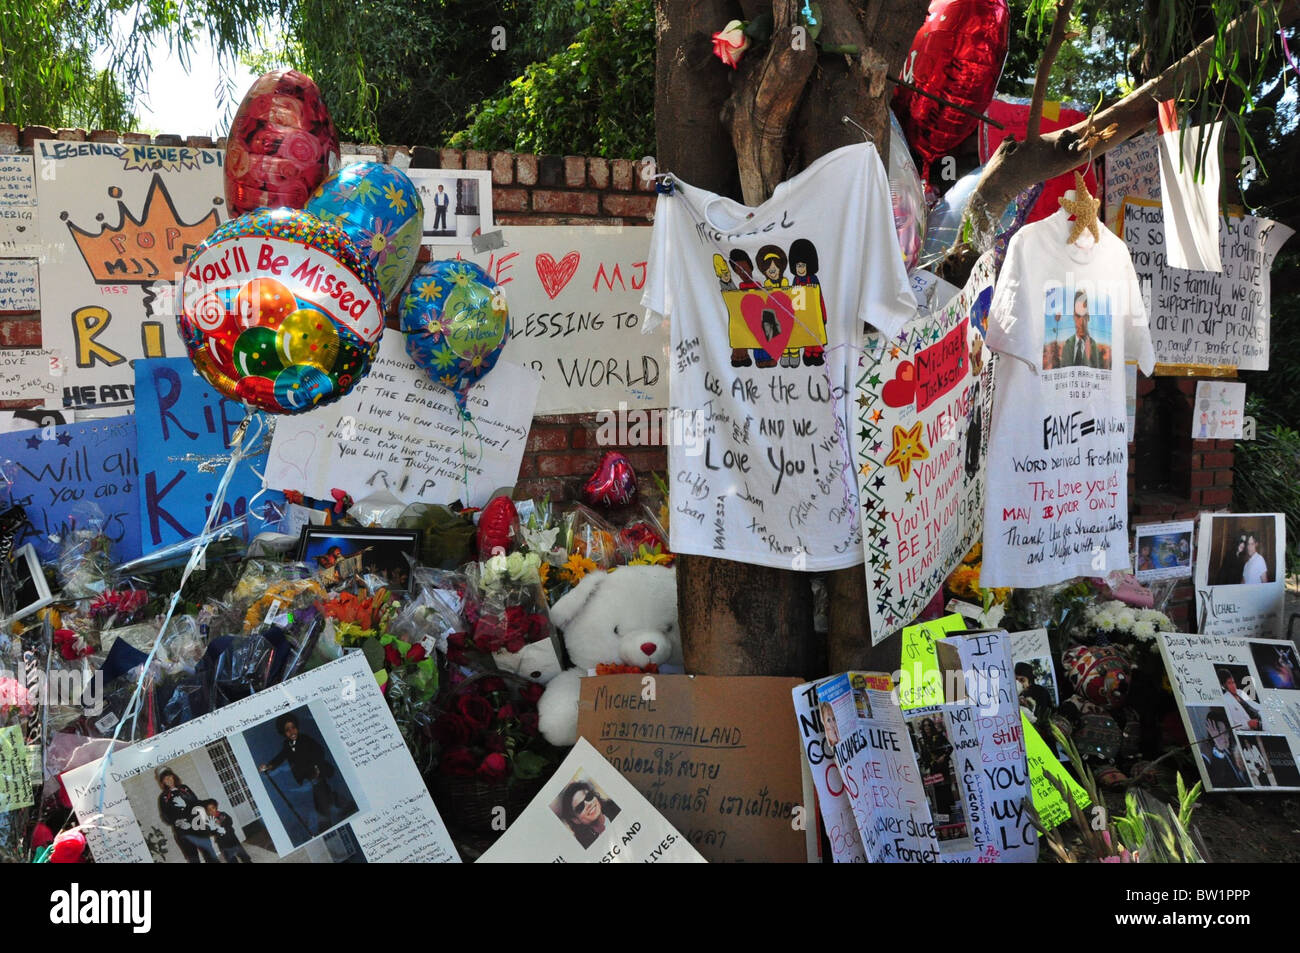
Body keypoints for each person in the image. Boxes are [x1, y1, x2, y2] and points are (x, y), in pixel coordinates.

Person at [259, 714, 343, 836]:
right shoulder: (287, 745)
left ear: (297, 727)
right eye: (287, 730)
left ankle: (326, 827)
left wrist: (316, 767)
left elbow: (319, 751)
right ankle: (333, 799)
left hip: (318, 772)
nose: (291, 731)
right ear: (283, 732)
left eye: (293, 727)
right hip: (308, 777)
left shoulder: (305, 739)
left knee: (320, 799)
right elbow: (280, 757)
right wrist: (268, 766)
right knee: (320, 797)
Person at [156, 767, 217, 863]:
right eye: (166, 779)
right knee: (193, 858)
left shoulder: (184, 788)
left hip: (197, 825)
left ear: (173, 777)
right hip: (183, 830)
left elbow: (196, 803)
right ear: (163, 782)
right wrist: (176, 822)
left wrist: (186, 805)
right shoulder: (163, 797)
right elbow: (165, 816)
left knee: (209, 852)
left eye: (170, 777)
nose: (169, 780)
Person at [788, 238, 826, 366]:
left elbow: (819, 296)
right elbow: (794, 297)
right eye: (798, 265)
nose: (801, 269)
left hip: (814, 312)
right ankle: (808, 353)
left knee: (816, 333)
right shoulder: (795, 280)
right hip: (802, 313)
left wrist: (823, 315)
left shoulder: (814, 279)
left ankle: (817, 353)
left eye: (803, 265)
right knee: (806, 333)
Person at [559, 779, 621, 849]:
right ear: (576, 820)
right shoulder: (585, 846)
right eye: (580, 807)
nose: (588, 804)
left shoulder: (617, 807)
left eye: (589, 797)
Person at [728, 249, 760, 367]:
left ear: (750, 266)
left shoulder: (759, 286)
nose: (743, 273)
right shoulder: (740, 288)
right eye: (739, 271)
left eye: (745, 268)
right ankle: (740, 356)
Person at [1201, 709, 1248, 788]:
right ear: (1211, 733)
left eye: (1226, 732)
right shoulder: (1208, 753)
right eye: (1219, 733)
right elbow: (1215, 781)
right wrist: (1219, 750)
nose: (1224, 737)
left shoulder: (1233, 750)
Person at [1059, 290, 1105, 369]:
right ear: (1073, 316)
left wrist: (1089, 357)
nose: (1081, 322)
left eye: (1084, 316)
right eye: (1078, 316)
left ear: (1088, 317)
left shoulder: (1095, 349)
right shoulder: (1067, 345)